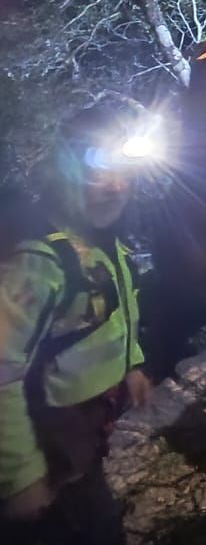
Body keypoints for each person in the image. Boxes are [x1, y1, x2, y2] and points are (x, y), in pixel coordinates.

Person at [1, 103, 159, 545]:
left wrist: (131, 364)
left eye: (124, 171)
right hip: (46, 443)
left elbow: (112, 311)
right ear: (64, 171)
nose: (115, 186)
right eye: (97, 169)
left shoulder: (99, 241)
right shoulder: (38, 261)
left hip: (81, 437)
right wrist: (20, 477)